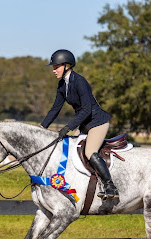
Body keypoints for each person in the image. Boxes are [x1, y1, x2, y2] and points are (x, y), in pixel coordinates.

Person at [40, 49, 119, 200]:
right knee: (71, 151)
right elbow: (55, 109)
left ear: (67, 66)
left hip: (97, 123)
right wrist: (41, 128)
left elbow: (87, 109)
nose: (53, 70)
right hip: (84, 124)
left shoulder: (80, 81)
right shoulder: (62, 85)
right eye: (53, 67)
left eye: (56, 66)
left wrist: (68, 127)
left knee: (89, 152)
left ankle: (110, 186)